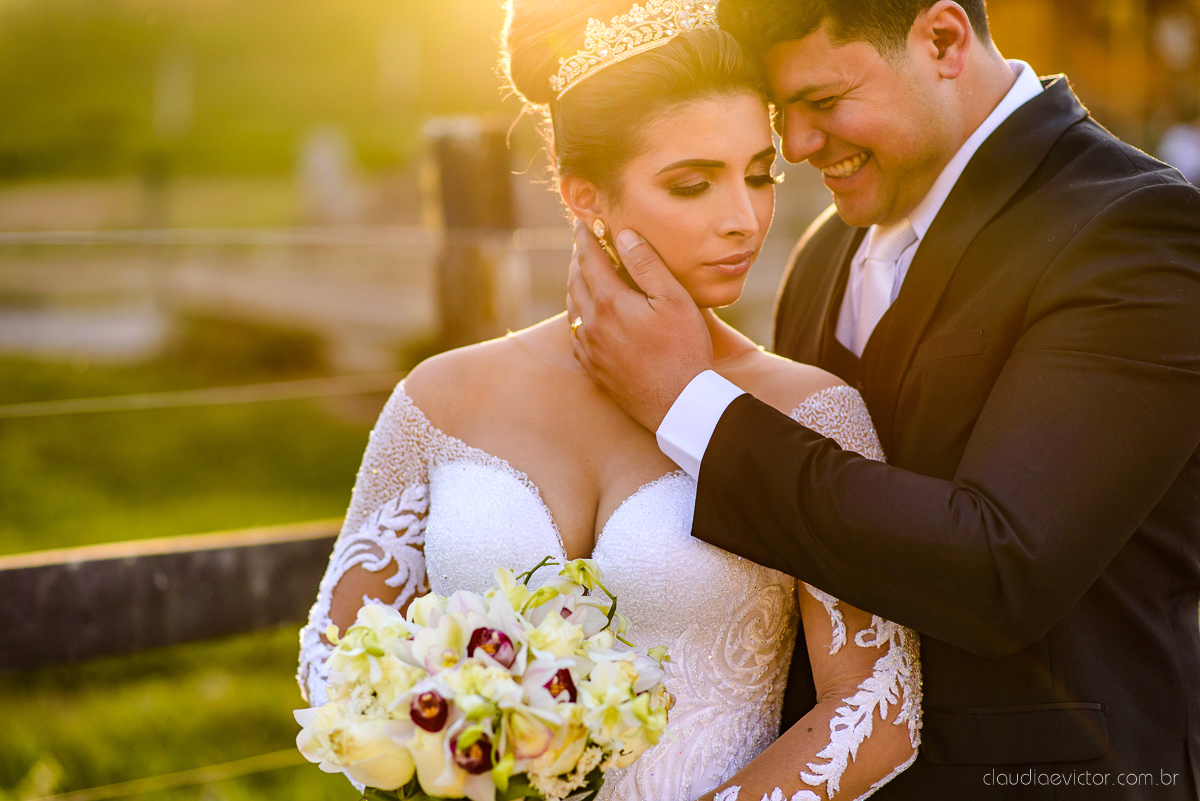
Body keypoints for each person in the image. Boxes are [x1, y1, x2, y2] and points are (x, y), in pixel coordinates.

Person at [566, 0, 1200, 798]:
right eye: (782, 111)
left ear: (941, 40)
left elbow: (1002, 569)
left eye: (822, 103)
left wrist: (688, 404)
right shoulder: (826, 250)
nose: (794, 146)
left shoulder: (1132, 229)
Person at [297, 2, 920, 800]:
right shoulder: (440, 397)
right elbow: (333, 660)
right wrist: (449, 743)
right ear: (584, 194)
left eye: (761, 174)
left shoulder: (811, 411)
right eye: (693, 184)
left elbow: (880, 701)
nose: (744, 218)